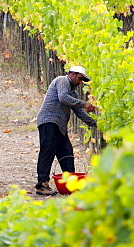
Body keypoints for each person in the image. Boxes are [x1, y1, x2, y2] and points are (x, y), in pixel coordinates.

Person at [34, 66, 98, 195]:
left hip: (59, 126)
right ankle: (42, 185)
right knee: (48, 152)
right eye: (80, 78)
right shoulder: (62, 80)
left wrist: (96, 124)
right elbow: (63, 97)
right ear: (73, 74)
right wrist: (84, 104)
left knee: (66, 153)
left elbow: (79, 112)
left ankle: (71, 184)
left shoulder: (72, 93)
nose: (80, 82)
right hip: (49, 121)